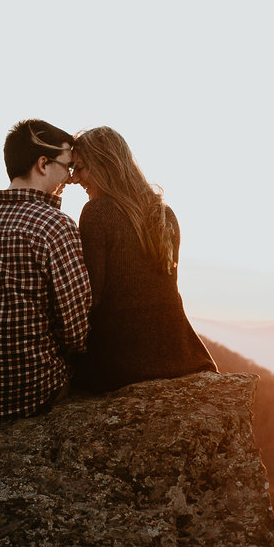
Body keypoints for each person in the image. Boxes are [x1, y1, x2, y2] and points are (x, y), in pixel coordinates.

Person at [0, 119, 91, 420]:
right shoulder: (55, 225)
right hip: (29, 391)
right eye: (68, 166)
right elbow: (77, 333)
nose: (72, 178)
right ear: (43, 164)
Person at [68, 126, 215, 393]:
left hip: (122, 362)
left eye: (80, 168)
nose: (75, 179)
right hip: (177, 351)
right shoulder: (163, 212)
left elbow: (93, 297)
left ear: (104, 164)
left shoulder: (96, 212)